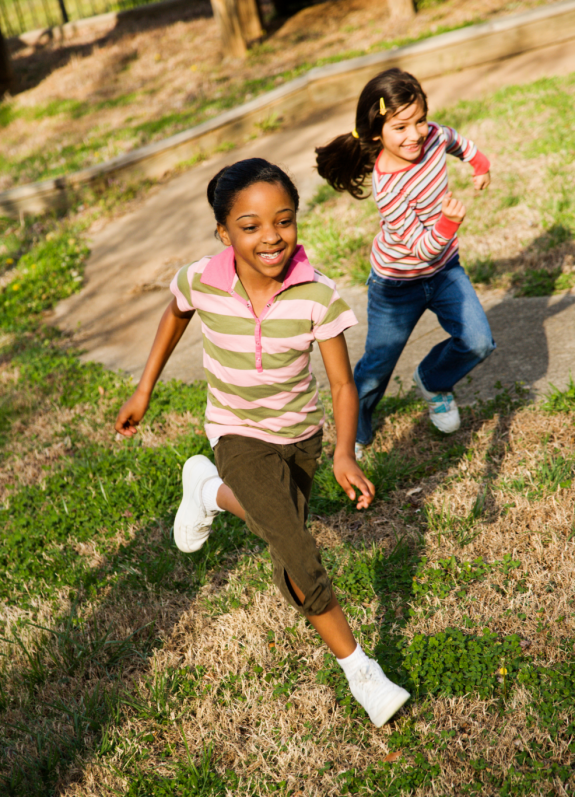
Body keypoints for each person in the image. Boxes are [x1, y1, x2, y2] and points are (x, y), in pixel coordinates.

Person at [115, 158, 410, 727]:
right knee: (298, 550)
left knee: (283, 552)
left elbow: (344, 384)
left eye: (284, 220)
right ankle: (362, 672)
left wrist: (345, 451)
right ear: (224, 233)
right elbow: (175, 312)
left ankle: (206, 491)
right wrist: (144, 388)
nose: (271, 237)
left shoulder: (316, 295)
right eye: (250, 227)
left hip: (299, 438)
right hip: (235, 432)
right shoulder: (202, 277)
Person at [316, 68, 495, 458]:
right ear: (377, 132)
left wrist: (479, 164)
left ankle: (433, 381)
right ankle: (355, 430)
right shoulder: (388, 185)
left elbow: (455, 139)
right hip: (398, 285)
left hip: (446, 271)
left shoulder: (432, 137)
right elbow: (419, 248)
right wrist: (449, 222)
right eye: (400, 127)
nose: (414, 134)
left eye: (419, 120)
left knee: (479, 342)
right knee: (377, 366)